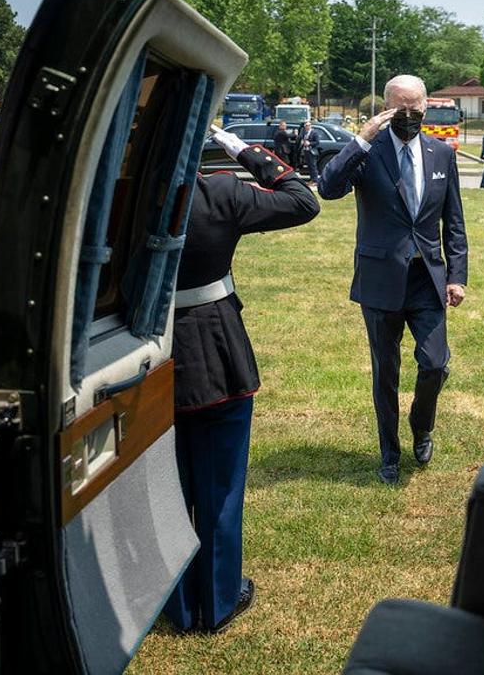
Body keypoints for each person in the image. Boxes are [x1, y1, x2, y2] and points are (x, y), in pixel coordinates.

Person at [163, 125, 319, 634]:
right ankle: (219, 600)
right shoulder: (221, 191)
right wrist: (240, 146)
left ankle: (180, 607)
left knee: (169, 490)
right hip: (217, 355)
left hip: (149, 357)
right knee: (222, 488)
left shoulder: (122, 197)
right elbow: (301, 200)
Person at [318, 74, 469, 484]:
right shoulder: (368, 152)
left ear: (426, 107)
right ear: (385, 109)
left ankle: (422, 426)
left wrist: (457, 275)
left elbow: (453, 222)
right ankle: (389, 453)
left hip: (427, 279)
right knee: (386, 372)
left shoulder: (441, 154)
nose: (409, 117)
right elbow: (328, 188)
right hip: (380, 279)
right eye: (401, 110)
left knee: (435, 363)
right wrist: (362, 138)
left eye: (416, 110)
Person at [301, 120, 321, 184]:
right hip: (306, 151)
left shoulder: (314, 132)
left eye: (309, 125)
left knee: (313, 165)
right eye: (306, 125)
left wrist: (309, 143)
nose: (307, 127)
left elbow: (317, 142)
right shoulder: (304, 132)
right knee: (309, 166)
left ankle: (316, 180)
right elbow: (303, 139)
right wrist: (302, 142)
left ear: (311, 126)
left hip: (312, 151)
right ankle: (312, 179)